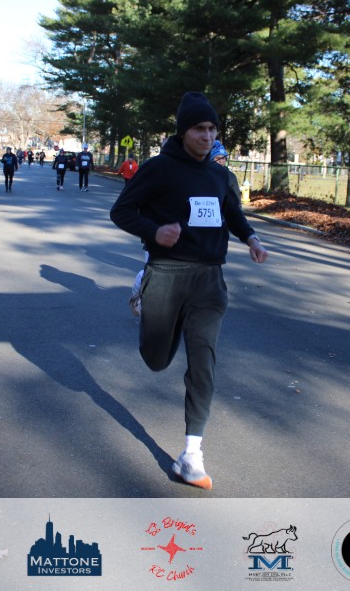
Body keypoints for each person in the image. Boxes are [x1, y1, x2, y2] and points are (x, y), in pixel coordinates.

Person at [110, 92, 269, 490]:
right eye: (200, 128)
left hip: (209, 279)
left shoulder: (219, 175)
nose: (207, 136)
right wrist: (154, 231)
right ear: (183, 131)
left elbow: (232, 213)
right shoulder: (159, 168)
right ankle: (143, 286)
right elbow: (121, 210)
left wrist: (251, 238)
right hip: (167, 273)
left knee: (203, 361)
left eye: (212, 129)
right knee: (156, 359)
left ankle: (191, 454)